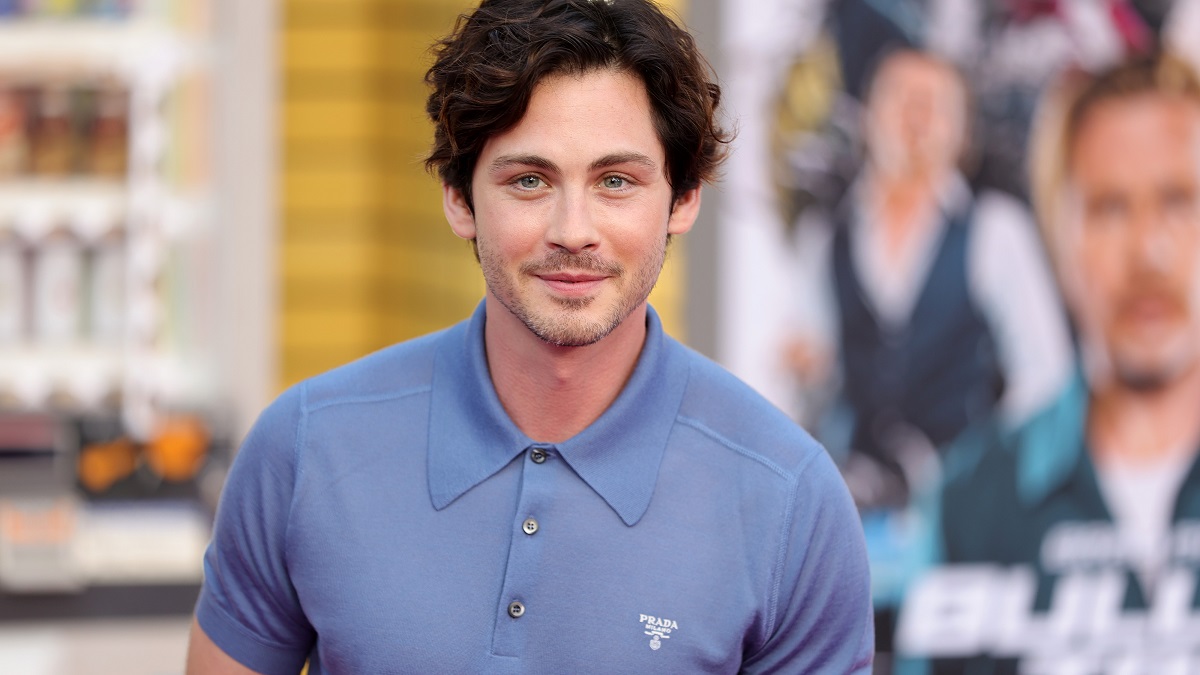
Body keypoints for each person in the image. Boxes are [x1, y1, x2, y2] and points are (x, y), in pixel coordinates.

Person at [185, 1, 874, 673]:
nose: (573, 230)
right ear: (459, 198)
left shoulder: (791, 501)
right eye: (528, 179)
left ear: (684, 196)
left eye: (615, 180)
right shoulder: (303, 449)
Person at [900, 53, 1200, 674]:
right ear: (1058, 239)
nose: (1150, 249)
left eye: (1180, 199)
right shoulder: (970, 502)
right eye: (1111, 207)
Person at [785, 47, 1073, 510]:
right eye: (900, 97)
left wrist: (994, 475)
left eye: (934, 103)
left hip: (964, 501)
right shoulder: (824, 234)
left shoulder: (996, 231)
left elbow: (1043, 377)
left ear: (962, 131)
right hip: (853, 499)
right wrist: (805, 376)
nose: (915, 116)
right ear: (867, 116)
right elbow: (808, 377)